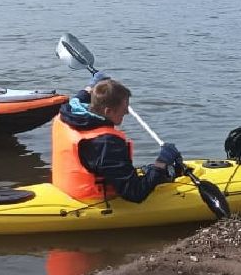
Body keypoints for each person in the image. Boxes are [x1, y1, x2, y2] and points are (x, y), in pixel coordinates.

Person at [50, 75, 185, 201]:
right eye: (124, 108)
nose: (127, 112)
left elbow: (79, 97)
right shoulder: (106, 143)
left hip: (65, 188)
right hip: (90, 198)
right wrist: (161, 163)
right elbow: (135, 193)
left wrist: (92, 86)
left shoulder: (67, 113)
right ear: (108, 111)